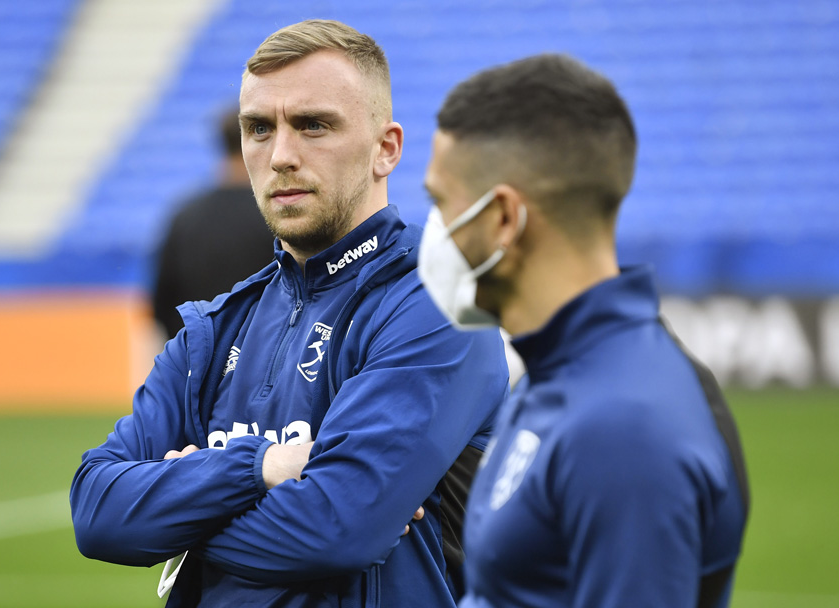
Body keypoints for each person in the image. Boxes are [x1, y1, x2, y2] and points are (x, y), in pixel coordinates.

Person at [70, 19, 510, 608]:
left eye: (313, 126)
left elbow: (336, 529)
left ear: (387, 149)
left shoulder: (440, 302)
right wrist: (261, 467)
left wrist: (182, 512)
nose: (280, 156)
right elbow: (97, 511)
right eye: (258, 129)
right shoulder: (215, 328)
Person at [417, 54, 750, 607]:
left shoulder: (623, 427)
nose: (430, 230)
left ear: (503, 219)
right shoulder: (559, 371)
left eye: (438, 202)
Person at [151, 106, 274, 338]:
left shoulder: (185, 216)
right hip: (263, 359)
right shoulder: (281, 216)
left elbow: (162, 305)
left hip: (197, 359)